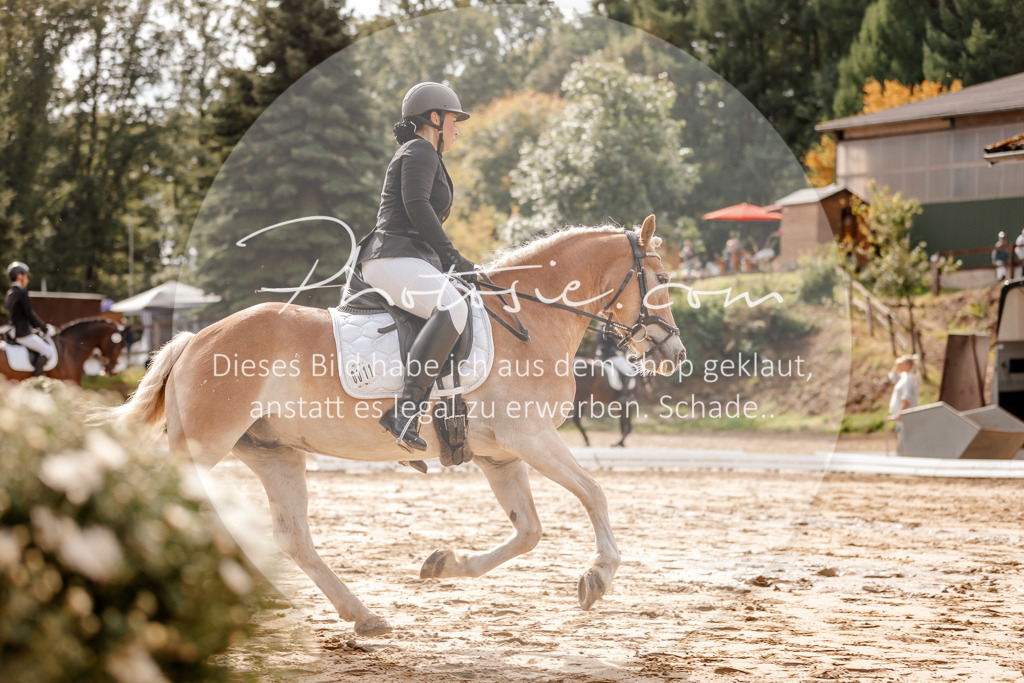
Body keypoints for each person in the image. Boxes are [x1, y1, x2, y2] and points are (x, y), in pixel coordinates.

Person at [355, 82, 476, 452]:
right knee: (452, 306)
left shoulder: (426, 153)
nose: (457, 130)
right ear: (434, 119)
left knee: (460, 302)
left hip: (407, 256)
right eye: (454, 121)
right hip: (392, 255)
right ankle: (405, 412)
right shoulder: (420, 150)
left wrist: (447, 260)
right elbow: (417, 205)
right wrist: (452, 254)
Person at [5, 261, 55, 376]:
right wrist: (44, 327)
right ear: (19, 276)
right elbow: (29, 315)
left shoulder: (10, 293)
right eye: (26, 276)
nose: (27, 280)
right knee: (47, 351)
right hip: (22, 333)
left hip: (13, 331)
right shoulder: (22, 293)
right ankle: (36, 381)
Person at [887, 354, 920, 455]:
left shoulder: (909, 378)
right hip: (901, 413)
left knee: (905, 437)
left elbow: (907, 398)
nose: (901, 365)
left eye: (903, 363)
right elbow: (892, 376)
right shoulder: (904, 377)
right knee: (902, 436)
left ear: (909, 364)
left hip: (905, 414)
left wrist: (901, 413)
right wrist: (896, 366)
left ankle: (903, 455)